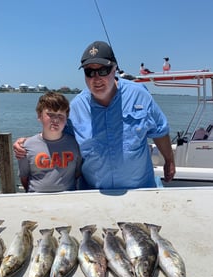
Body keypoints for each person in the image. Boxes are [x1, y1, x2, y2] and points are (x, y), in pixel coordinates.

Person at [14, 41, 175, 190]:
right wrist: (28, 142)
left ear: (114, 69)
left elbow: (159, 130)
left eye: (103, 71)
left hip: (140, 189)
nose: (96, 78)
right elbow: (56, 135)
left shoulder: (139, 95)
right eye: (90, 72)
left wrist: (169, 160)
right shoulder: (76, 107)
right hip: (93, 193)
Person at [17, 91, 82, 192]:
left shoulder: (75, 143)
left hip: (68, 198)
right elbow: (24, 177)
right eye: (50, 114)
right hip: (36, 198)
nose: (55, 120)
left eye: (60, 115)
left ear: (66, 118)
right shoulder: (27, 146)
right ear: (39, 116)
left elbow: (77, 173)